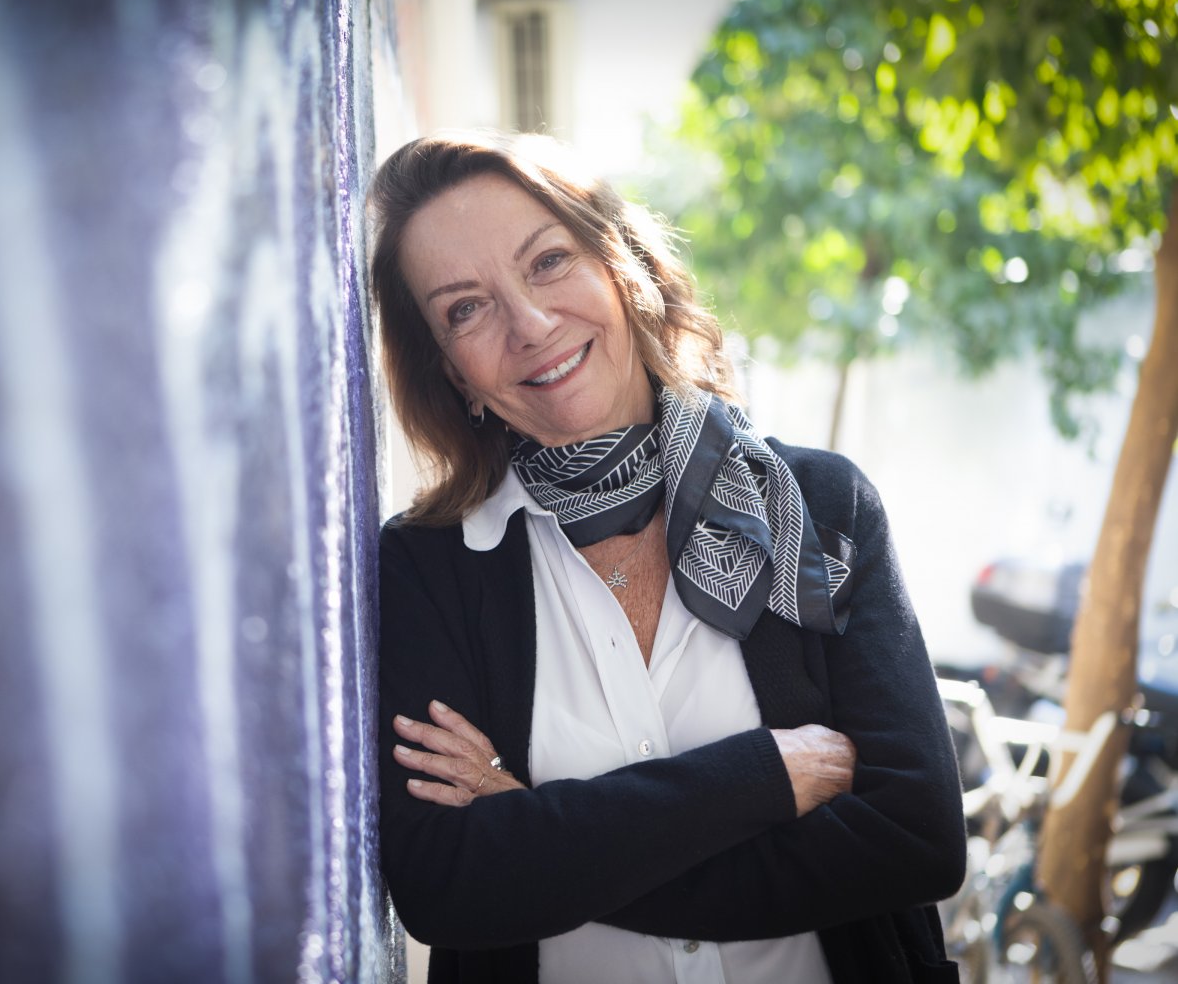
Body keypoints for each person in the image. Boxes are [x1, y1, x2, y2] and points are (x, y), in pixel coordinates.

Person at [370, 130, 966, 984]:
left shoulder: (818, 505)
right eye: (466, 308)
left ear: (622, 267)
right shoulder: (428, 569)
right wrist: (758, 777)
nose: (530, 325)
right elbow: (447, 886)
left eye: (548, 262)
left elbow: (915, 840)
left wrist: (546, 841)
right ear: (452, 372)